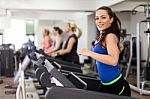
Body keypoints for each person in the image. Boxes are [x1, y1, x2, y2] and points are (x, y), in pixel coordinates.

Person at [78, 6, 131, 96]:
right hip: (105, 83)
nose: (99, 21)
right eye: (97, 18)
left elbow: (113, 61)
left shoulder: (109, 36)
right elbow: (110, 53)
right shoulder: (103, 35)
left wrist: (89, 53)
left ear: (111, 19)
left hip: (116, 86)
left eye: (103, 17)